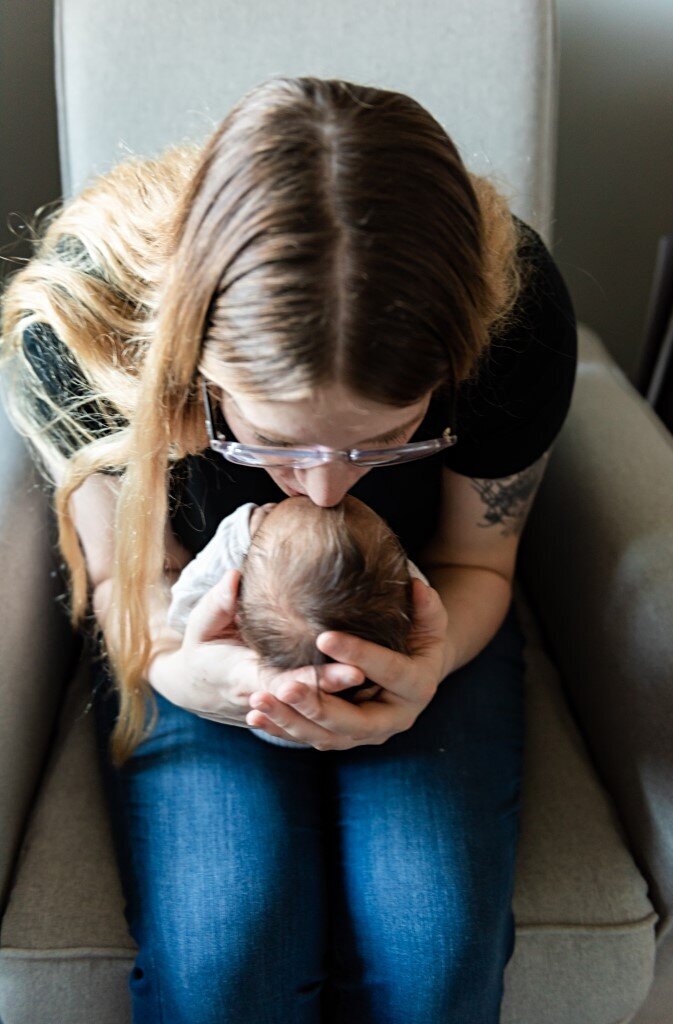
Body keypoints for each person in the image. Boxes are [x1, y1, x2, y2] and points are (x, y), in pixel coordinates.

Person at [0, 76, 577, 1023]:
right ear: (194, 361)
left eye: (388, 437)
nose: (322, 486)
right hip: (191, 627)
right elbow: (125, 578)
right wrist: (185, 671)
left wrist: (425, 670)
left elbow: (479, 563)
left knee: (435, 946)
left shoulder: (514, 319)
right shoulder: (88, 325)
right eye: (272, 440)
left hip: (422, 615)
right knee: (229, 958)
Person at [166, 494, 433, 747]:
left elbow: (180, 611)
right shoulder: (406, 584)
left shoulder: (236, 552)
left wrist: (241, 528)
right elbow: (421, 627)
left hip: (253, 716)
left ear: (237, 615)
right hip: (371, 705)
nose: (323, 495)